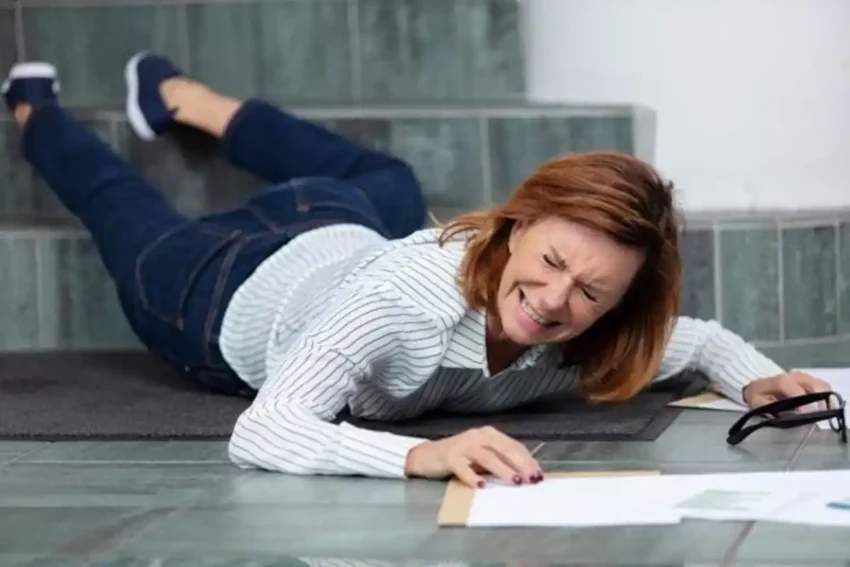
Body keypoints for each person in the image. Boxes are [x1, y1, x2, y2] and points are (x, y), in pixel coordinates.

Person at [2, 53, 831, 488]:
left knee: (388, 177)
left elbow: (699, 340)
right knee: (120, 206)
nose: (552, 301)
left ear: (616, 303)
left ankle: (178, 96)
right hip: (213, 289)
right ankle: (33, 106)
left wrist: (754, 376)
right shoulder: (405, 300)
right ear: (514, 227)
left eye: (589, 291)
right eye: (549, 261)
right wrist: (416, 457)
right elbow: (265, 428)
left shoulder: (587, 332)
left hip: (337, 225)